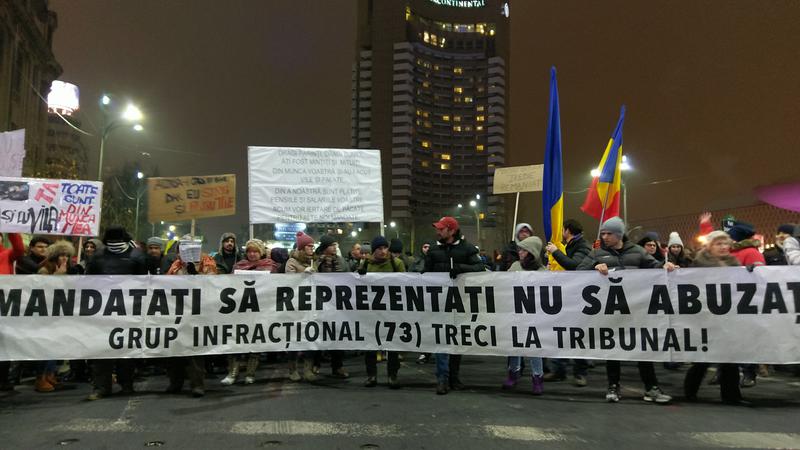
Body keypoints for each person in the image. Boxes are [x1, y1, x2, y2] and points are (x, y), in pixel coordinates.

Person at [577, 217, 676, 404]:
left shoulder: (638, 252)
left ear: (619, 234)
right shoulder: (597, 253)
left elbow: (655, 268)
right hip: (611, 310)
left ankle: (651, 388)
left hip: (636, 310)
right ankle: (613, 386)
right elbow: (578, 273)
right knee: (613, 349)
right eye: (603, 233)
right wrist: (594, 268)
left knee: (643, 348)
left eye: (609, 234)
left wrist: (666, 267)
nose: (604, 237)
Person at [683, 230, 748, 405]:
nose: (723, 247)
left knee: (729, 358)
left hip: (728, 317)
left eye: (725, 243)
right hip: (706, 316)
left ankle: (731, 396)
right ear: (710, 246)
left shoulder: (734, 263)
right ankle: (690, 392)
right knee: (703, 358)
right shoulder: (699, 263)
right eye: (718, 243)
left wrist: (751, 273)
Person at [423, 216, 486, 395]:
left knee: (456, 341)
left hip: (460, 303)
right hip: (440, 303)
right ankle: (442, 379)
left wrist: (460, 268)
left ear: (451, 230)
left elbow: (480, 268)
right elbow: (423, 273)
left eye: (441, 229)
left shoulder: (467, 249)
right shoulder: (434, 250)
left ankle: (454, 377)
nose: (438, 231)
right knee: (443, 341)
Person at [85, 226, 147, 400]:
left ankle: (118, 385)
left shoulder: (136, 256)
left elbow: (144, 283)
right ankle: (107, 387)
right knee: (105, 350)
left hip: (124, 309)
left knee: (123, 350)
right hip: (105, 310)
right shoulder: (100, 257)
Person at [165, 237, 218, 397]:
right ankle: (175, 383)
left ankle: (197, 385)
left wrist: (195, 273)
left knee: (195, 351)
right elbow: (167, 284)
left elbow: (213, 283)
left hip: (198, 313)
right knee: (174, 351)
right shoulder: (176, 265)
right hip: (178, 313)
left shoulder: (207, 262)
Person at [221, 239, 276, 386]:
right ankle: (232, 373)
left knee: (255, 341)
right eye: (250, 251)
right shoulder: (238, 266)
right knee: (235, 341)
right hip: (239, 309)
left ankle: (250, 373)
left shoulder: (270, 267)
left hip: (259, 310)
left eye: (255, 251)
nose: (252, 254)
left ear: (261, 252)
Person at [544, 219, 591, 386]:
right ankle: (559, 370)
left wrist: (556, 252)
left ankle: (580, 372)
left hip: (579, 298)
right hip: (569, 295)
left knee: (578, 336)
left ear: (568, 230)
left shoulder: (582, 246)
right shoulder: (573, 245)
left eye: (562, 229)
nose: (561, 232)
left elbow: (574, 266)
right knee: (561, 334)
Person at [358, 235, 406, 389]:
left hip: (392, 310)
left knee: (392, 345)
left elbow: (405, 284)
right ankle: (371, 375)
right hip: (372, 311)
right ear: (374, 250)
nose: (383, 251)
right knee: (370, 345)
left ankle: (393, 376)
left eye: (385, 248)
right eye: (379, 248)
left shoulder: (396, 263)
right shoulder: (366, 264)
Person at [503, 236, 546, 395]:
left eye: (523, 250)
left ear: (532, 252)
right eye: (519, 249)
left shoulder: (542, 271)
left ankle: (537, 378)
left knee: (534, 348)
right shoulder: (515, 266)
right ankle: (513, 374)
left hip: (534, 316)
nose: (520, 252)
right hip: (515, 313)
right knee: (514, 346)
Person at [35, 240, 79, 392]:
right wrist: (57, 277)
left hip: (59, 312)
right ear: (55, 256)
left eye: (67, 255)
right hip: (45, 314)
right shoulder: (44, 269)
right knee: (45, 346)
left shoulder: (68, 269)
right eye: (61, 256)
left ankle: (50, 374)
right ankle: (40, 378)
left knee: (54, 345)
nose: (64, 259)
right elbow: (40, 291)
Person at [726, 221, 766, 387]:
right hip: (730, 302)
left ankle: (749, 372)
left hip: (745, 303)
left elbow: (761, 277)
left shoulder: (750, 252)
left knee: (745, 339)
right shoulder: (731, 253)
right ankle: (725, 372)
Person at [313, 234, 349, 379]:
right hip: (320, 303)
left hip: (337, 303)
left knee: (337, 336)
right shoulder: (316, 261)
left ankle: (337, 366)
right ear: (325, 247)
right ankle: (316, 364)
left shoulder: (341, 261)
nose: (335, 247)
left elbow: (349, 277)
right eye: (332, 245)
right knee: (318, 334)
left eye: (336, 245)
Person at [285, 231, 317, 381]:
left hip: (310, 305)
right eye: (309, 246)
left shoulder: (313, 262)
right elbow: (288, 282)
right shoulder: (292, 262)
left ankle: (308, 369)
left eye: (312, 246)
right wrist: (303, 273)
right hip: (296, 306)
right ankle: (292, 369)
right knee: (294, 338)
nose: (312, 249)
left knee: (310, 337)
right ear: (302, 248)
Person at [0, 232, 24, 391]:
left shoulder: (7, 254)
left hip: (3, 306)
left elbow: (19, 249)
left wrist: (12, 228)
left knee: (3, 343)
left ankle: (2, 379)